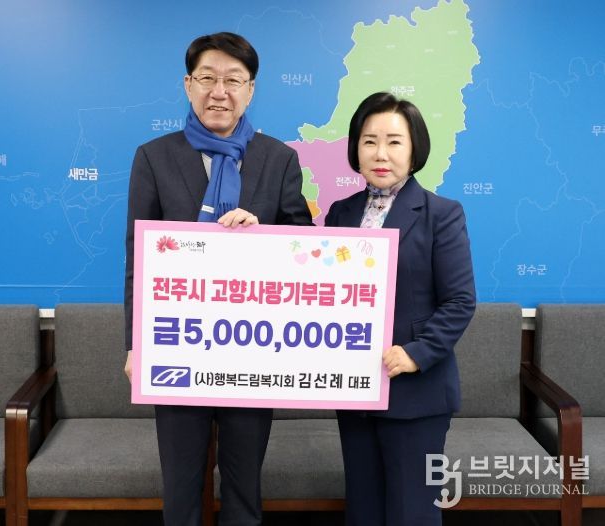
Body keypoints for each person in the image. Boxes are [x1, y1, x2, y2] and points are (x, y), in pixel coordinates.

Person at [123, 32, 313, 526]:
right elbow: (138, 259)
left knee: (244, 483)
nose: (219, 92)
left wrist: (262, 232)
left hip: (253, 349)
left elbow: (303, 249)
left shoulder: (279, 159)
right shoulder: (154, 157)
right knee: (181, 484)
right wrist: (136, 345)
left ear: (251, 90)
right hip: (177, 346)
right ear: (188, 84)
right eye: (207, 78)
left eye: (233, 80)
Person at [325, 92, 476, 526]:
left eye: (394, 141)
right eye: (369, 141)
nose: (381, 153)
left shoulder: (441, 214)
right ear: (355, 148)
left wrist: (416, 353)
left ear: (414, 150)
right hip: (356, 390)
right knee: (363, 510)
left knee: (413, 513)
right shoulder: (340, 213)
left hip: (415, 391)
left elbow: (460, 300)